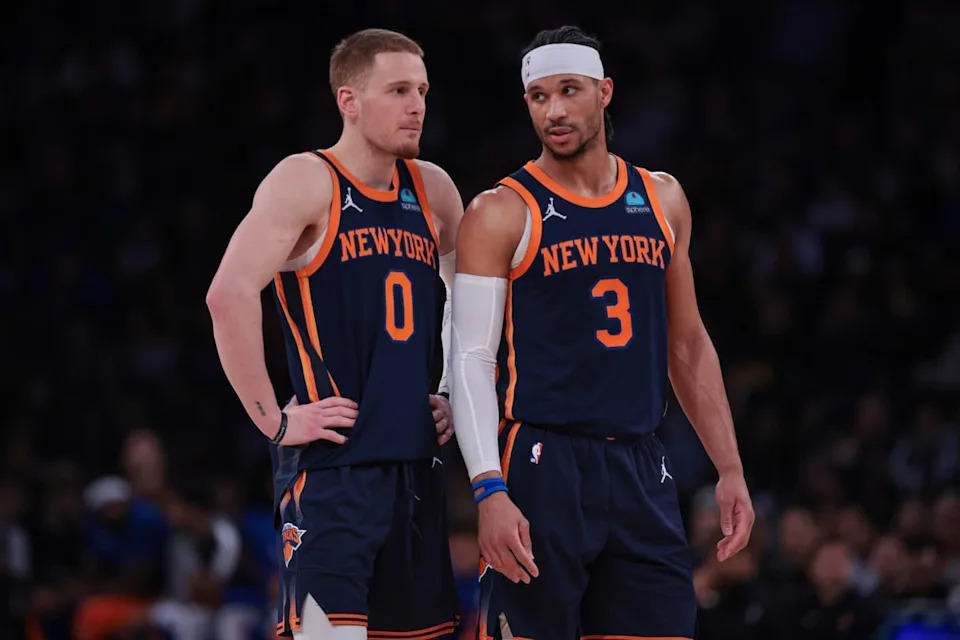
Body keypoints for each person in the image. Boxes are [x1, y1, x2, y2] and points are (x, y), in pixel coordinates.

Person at [450, 26, 755, 639]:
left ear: (605, 92)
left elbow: (687, 343)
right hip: (543, 462)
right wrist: (488, 488)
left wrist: (730, 467)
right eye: (538, 96)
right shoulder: (501, 210)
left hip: (642, 464)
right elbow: (472, 359)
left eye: (569, 91)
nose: (555, 111)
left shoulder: (662, 198)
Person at [206, 28, 464, 640]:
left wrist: (453, 388)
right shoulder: (307, 179)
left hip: (419, 472)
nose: (417, 104)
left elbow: (471, 303)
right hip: (334, 474)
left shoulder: (434, 188)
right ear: (348, 100)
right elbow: (228, 294)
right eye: (398, 90)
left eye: (422, 90)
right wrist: (274, 420)